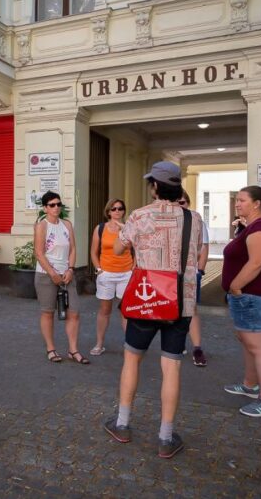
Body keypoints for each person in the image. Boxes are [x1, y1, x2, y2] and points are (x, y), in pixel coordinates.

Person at [104, 161, 202, 459]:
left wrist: (131, 236)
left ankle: (122, 423)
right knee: (171, 366)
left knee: (132, 360)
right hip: (180, 303)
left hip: (146, 302)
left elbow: (119, 250)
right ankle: (165, 437)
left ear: (155, 186)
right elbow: (194, 252)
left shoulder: (139, 216)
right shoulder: (194, 219)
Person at [221, 186, 261, 418]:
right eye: (237, 200)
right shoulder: (253, 227)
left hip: (252, 295)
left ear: (256, 203)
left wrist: (235, 286)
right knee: (249, 342)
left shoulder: (259, 229)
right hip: (248, 296)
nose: (237, 204)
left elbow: (256, 263)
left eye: (242, 200)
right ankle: (250, 385)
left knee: (258, 347)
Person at [34, 191, 89, 365]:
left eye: (58, 204)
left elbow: (73, 249)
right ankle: (51, 349)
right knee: (48, 313)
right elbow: (39, 253)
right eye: (52, 205)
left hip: (67, 275)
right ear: (45, 208)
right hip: (46, 275)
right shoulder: (42, 225)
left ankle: (73, 350)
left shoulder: (67, 224)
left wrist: (71, 269)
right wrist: (52, 274)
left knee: (74, 312)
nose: (56, 207)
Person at [89, 199, 133, 355]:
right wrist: (99, 269)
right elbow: (94, 252)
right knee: (104, 310)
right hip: (106, 273)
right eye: (113, 209)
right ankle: (99, 344)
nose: (117, 211)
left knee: (126, 311)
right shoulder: (100, 228)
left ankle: (130, 345)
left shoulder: (128, 228)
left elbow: (135, 247)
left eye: (120, 208)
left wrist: (124, 230)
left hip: (126, 273)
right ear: (108, 212)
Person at [178, 191, 209, 367]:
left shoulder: (196, 220)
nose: (179, 206)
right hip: (170, 274)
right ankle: (178, 341)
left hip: (190, 272)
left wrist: (201, 270)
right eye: (176, 203)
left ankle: (197, 348)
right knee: (174, 309)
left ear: (188, 203)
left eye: (182, 202)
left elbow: (203, 247)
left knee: (192, 309)